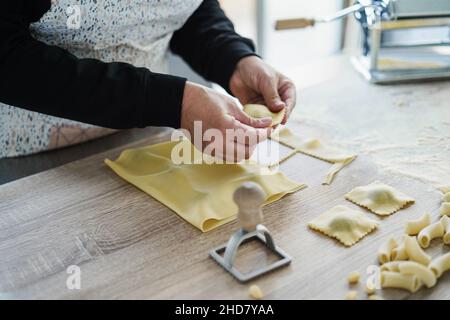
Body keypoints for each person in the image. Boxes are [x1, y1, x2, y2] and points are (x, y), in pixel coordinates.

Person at [0, 0, 296, 161]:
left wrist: (235, 59)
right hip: (25, 156)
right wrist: (174, 102)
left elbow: (179, 9)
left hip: (142, 138)